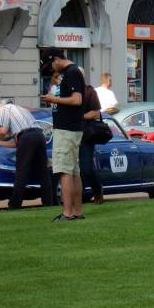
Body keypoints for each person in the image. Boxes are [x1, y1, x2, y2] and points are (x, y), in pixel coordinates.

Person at [39, 48, 86, 221]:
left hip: (67, 128)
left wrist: (53, 99)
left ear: (57, 59)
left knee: (64, 170)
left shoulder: (72, 72)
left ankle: (67, 213)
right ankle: (77, 211)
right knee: (73, 171)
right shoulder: (69, 73)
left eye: (51, 65)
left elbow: (77, 99)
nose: (52, 69)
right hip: (70, 128)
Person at [0, 102, 53, 209]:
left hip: (27, 137)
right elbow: (16, 143)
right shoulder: (21, 110)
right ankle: (48, 202)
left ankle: (15, 204)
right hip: (39, 136)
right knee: (43, 172)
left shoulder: (5, 108)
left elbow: (3, 130)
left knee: (21, 172)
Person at [80, 85, 104, 204]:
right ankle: (78, 197)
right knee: (75, 170)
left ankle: (97, 191)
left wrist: (80, 117)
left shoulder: (89, 91)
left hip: (87, 135)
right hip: (72, 133)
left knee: (86, 168)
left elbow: (95, 113)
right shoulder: (66, 91)